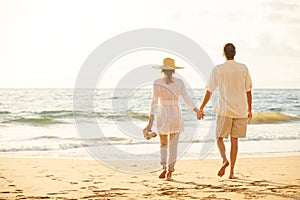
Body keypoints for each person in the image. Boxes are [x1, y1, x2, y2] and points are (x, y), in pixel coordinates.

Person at [198, 43, 252, 179]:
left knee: (219, 138)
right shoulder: (243, 68)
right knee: (235, 141)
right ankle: (232, 172)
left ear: (223, 53)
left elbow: (209, 91)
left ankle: (224, 160)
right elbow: (248, 90)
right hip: (240, 110)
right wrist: (249, 109)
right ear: (235, 53)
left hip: (225, 110)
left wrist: (201, 107)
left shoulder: (218, 69)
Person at [145, 58, 199, 181]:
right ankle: (170, 172)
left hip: (162, 113)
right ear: (174, 70)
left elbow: (153, 102)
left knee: (163, 143)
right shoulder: (180, 82)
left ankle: (164, 167)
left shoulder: (157, 82)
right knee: (173, 145)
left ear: (162, 70)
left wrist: (150, 122)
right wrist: (196, 110)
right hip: (175, 113)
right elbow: (186, 98)